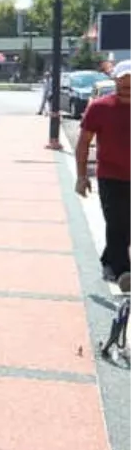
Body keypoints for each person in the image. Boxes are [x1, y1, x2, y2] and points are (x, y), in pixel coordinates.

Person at [76, 60, 131, 284]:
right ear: (115, 80)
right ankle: (121, 272)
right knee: (116, 223)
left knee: (126, 225)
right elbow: (83, 142)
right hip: (111, 177)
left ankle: (110, 260)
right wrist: (81, 177)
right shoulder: (99, 108)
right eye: (123, 79)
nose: (127, 83)